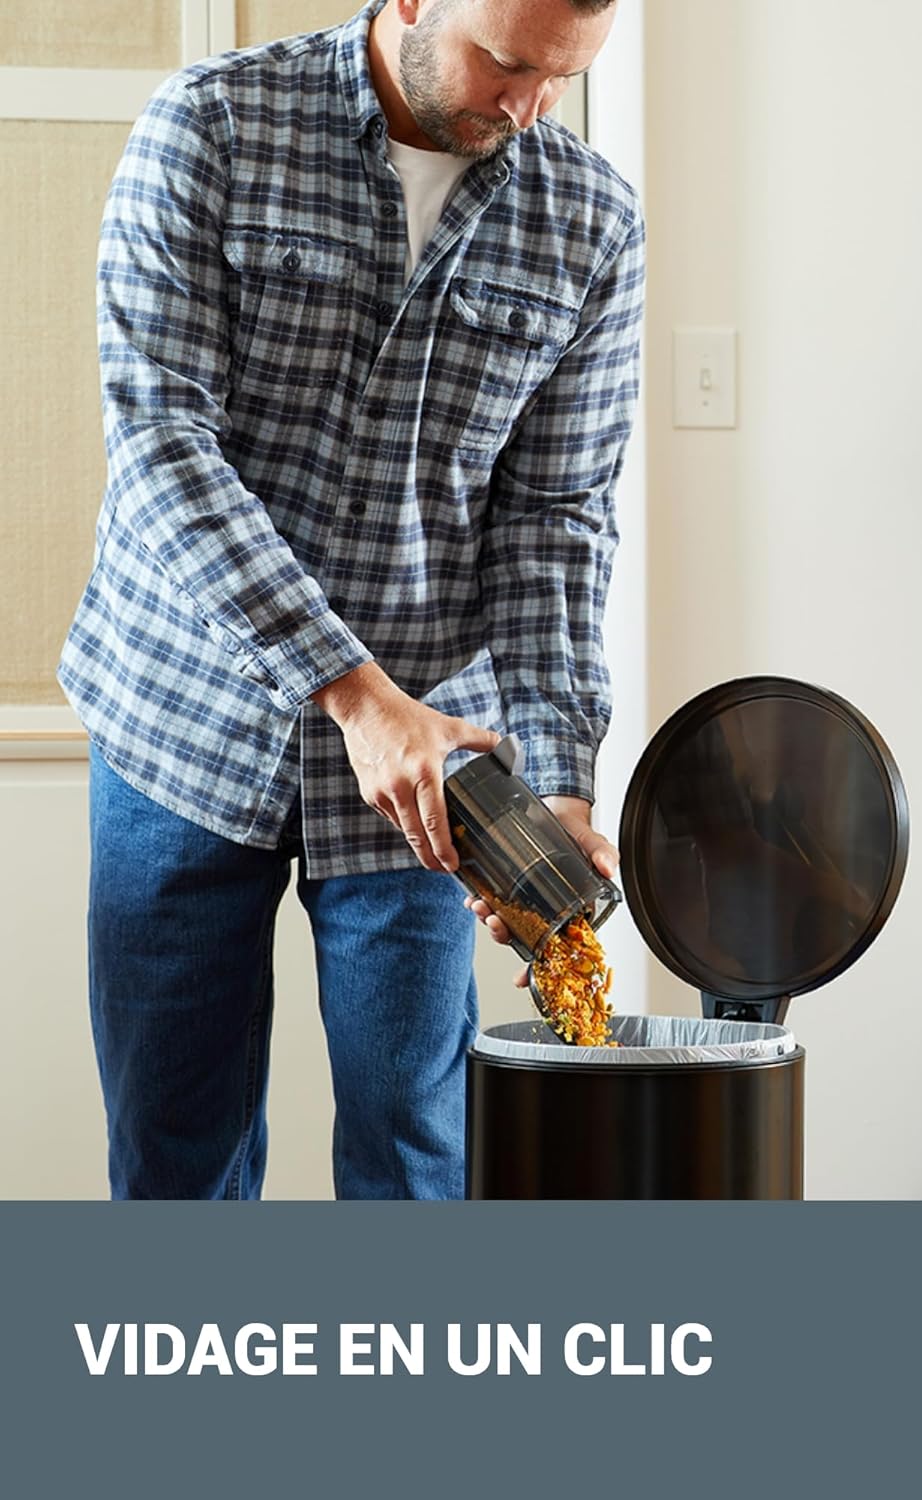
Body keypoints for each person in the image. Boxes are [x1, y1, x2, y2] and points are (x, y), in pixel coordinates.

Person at [57, 0, 644, 1200]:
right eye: (509, 64)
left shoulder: (591, 222)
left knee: (415, 1154)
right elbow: (164, 445)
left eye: (561, 81)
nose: (528, 108)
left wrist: (563, 781)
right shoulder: (211, 127)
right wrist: (358, 698)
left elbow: (557, 523)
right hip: (184, 724)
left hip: (431, 782)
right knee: (177, 1155)